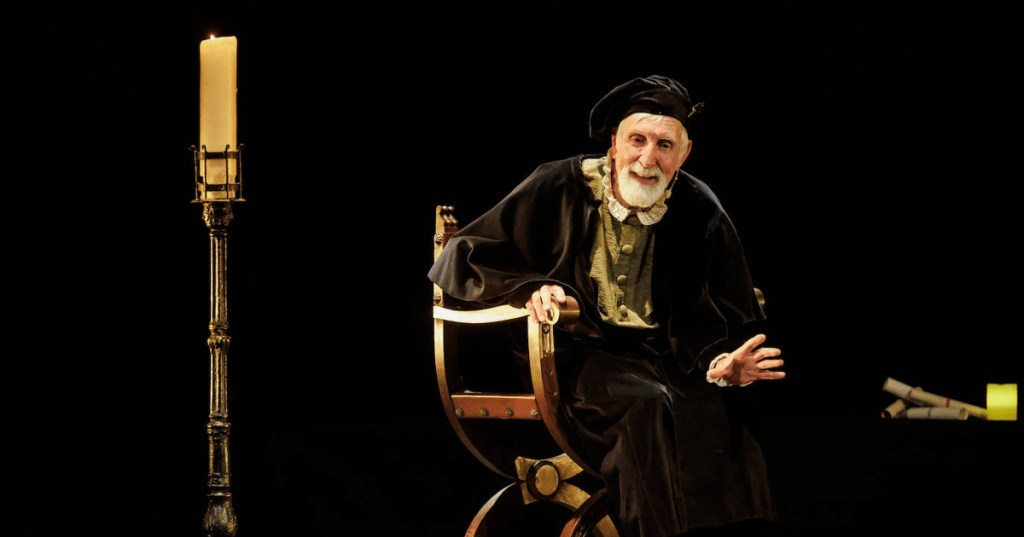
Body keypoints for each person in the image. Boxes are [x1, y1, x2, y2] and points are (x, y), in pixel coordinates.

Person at [428, 75, 785, 537]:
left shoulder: (699, 206)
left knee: (718, 407)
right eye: (637, 140)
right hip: (573, 353)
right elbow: (465, 255)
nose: (648, 159)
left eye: (664, 145)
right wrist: (531, 288)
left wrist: (722, 359)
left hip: (663, 358)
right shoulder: (559, 183)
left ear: (684, 154)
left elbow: (723, 305)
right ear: (615, 143)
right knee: (646, 406)